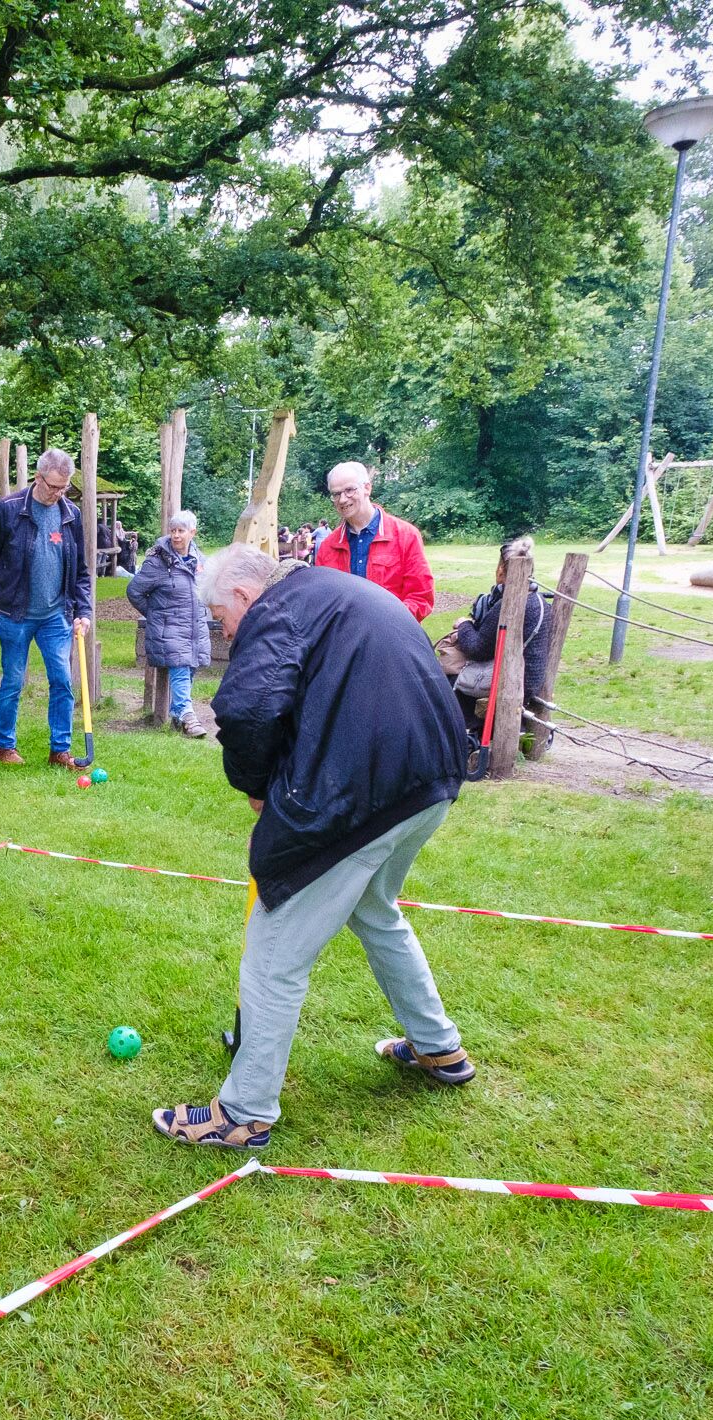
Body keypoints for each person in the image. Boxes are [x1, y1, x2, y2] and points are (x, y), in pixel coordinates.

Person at [151, 546, 473, 1151]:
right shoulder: (332, 589)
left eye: (221, 618)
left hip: (366, 793)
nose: (224, 632)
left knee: (275, 951)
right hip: (431, 780)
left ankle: (243, 1112)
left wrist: (256, 790)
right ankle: (439, 1048)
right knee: (376, 912)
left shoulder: (277, 611)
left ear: (245, 597)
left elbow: (247, 708)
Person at [0, 446, 93, 765]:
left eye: (64, 487)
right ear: (38, 478)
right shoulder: (9, 510)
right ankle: (4, 746)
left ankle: (60, 750)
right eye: (53, 486)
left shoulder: (70, 514)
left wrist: (83, 611)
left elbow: (80, 570)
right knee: (13, 680)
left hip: (56, 615)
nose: (58, 493)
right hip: (16, 613)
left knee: (62, 681)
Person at [438, 535, 550, 748]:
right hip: (530, 677)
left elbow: (476, 648)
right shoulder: (539, 600)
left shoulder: (508, 604)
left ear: (501, 570)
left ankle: (456, 733)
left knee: (443, 677)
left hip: (512, 681)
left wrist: (464, 625)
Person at [312, 462, 435, 620]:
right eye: (336, 494)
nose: (342, 499)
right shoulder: (328, 547)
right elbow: (322, 602)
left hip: (393, 637)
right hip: (345, 640)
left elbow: (420, 597)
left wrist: (384, 624)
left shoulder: (406, 535)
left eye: (349, 490)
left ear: (367, 488)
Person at [126, 510, 211, 737]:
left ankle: (177, 717)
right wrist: (155, 614)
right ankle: (187, 716)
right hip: (169, 627)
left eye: (181, 531)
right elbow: (134, 591)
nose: (176, 535)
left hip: (195, 626)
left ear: (192, 533)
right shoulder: (158, 562)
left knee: (190, 668)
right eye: (173, 531)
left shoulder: (200, 560)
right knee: (181, 668)